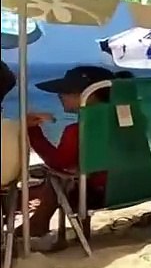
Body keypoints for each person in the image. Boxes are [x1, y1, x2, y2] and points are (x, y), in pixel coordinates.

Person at [23, 66, 116, 250]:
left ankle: (37, 224)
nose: (59, 95)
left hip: (101, 195)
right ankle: (37, 223)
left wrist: (32, 131)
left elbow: (58, 163)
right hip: (141, 187)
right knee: (73, 171)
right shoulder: (134, 121)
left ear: (91, 94)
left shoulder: (77, 131)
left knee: (58, 175)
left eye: (67, 91)